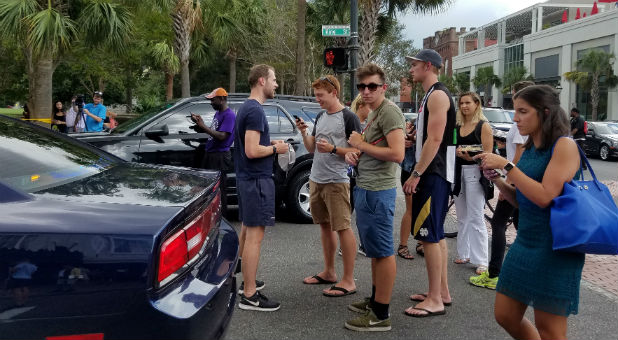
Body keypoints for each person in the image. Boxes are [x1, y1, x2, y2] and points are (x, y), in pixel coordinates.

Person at [475, 85, 584, 340]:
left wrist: (507, 165)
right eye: (515, 111)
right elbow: (524, 200)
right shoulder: (531, 147)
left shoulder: (564, 146)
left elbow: (546, 197)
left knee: (551, 331)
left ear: (545, 112)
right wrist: (499, 180)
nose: (515, 118)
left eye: (523, 111)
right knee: (505, 314)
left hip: (556, 248)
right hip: (526, 241)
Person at [344, 63, 405, 331]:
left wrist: (359, 144)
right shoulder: (375, 112)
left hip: (379, 190)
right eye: (362, 87)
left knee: (383, 251)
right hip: (367, 187)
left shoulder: (390, 112)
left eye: (372, 86)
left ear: (383, 87)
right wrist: (355, 153)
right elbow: (374, 148)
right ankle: (376, 299)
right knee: (375, 252)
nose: (366, 91)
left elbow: (397, 154)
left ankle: (381, 314)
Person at [402, 49, 456, 317]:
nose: (410, 69)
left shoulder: (436, 95)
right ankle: (441, 292)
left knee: (429, 237)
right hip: (436, 172)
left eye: (413, 65)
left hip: (433, 174)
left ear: (427, 66)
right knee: (436, 235)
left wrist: (416, 173)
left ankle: (434, 299)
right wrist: (415, 142)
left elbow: (435, 140)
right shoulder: (430, 95)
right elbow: (431, 137)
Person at [297, 75, 361, 297]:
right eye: (316, 95)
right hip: (316, 178)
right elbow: (311, 149)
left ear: (334, 92)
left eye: (320, 95)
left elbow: (357, 151)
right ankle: (329, 272)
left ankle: (349, 280)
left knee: (343, 227)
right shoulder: (321, 115)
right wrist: (304, 132)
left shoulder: (349, 117)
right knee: (324, 226)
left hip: (337, 180)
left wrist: (334, 149)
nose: (317, 99)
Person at [234, 64, 289, 312]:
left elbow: (254, 144)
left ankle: (246, 280)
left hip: (248, 179)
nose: (276, 84)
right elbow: (252, 150)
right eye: (273, 79)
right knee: (255, 237)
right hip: (256, 180)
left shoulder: (247, 107)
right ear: (261, 81)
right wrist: (277, 149)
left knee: (247, 231)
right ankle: (249, 295)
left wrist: (271, 142)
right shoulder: (255, 111)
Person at [469, 80, 533, 289]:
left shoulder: (524, 127)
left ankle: (495, 273)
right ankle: (508, 272)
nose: (515, 116)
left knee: (499, 224)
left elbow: (520, 156)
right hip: (515, 181)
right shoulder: (520, 125)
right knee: (518, 225)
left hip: (516, 182)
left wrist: (508, 182)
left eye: (520, 109)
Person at [451, 92, 493, 274]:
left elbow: (489, 155)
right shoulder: (457, 125)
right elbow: (451, 147)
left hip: (475, 172)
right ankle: (464, 252)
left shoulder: (483, 126)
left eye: (468, 102)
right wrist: (457, 153)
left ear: (477, 104)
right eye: (461, 103)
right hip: (458, 171)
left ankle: (482, 260)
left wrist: (472, 156)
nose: (464, 106)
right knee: (462, 216)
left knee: (476, 216)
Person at [190, 87, 236, 213]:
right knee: (209, 188)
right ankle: (211, 215)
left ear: (221, 99)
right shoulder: (219, 113)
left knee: (219, 190)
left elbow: (222, 136)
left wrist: (203, 126)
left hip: (220, 156)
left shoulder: (229, 115)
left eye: (213, 100)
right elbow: (214, 132)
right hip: (211, 155)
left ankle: (222, 217)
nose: (211, 103)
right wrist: (200, 124)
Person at [397, 119, 416, 260]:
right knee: (410, 209)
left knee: (425, 209)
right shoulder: (412, 127)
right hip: (410, 170)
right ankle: (403, 245)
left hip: (426, 173)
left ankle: (421, 242)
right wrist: (406, 140)